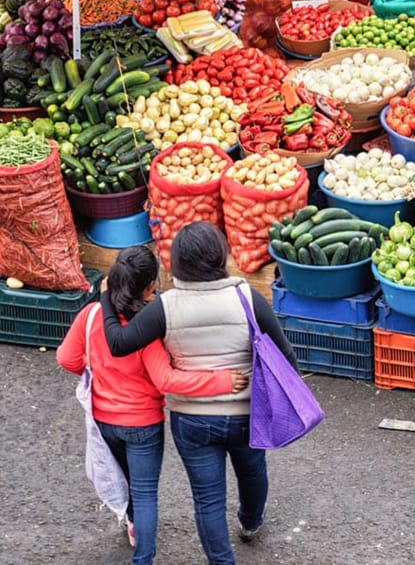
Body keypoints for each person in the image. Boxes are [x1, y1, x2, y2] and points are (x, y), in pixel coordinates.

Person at [100, 222, 299, 564]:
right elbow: (287, 357)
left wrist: (106, 297)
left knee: (208, 500)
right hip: (247, 415)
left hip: (192, 420)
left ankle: (222, 561)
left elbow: (118, 343)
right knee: (252, 471)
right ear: (220, 256)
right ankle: (251, 523)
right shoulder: (247, 297)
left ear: (176, 263)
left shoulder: (164, 307)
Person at [56, 246, 247, 565]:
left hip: (105, 422)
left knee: (127, 480)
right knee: (145, 495)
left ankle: (133, 528)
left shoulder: (90, 317)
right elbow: (167, 380)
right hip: (143, 426)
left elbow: (66, 359)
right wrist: (223, 381)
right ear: (148, 288)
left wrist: (99, 373)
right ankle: (142, 558)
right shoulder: (145, 326)